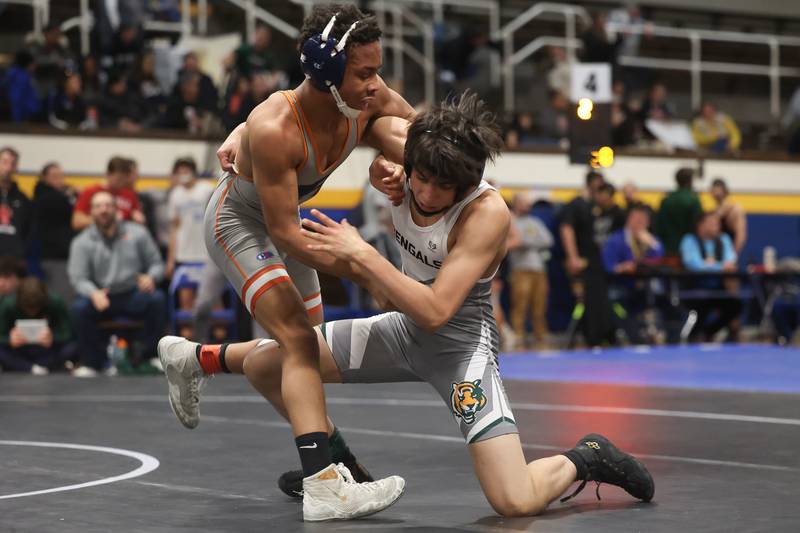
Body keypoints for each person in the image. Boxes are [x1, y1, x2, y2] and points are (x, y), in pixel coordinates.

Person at [160, 92, 655, 517]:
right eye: (423, 178)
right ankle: (339, 468)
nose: (430, 193)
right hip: (402, 329)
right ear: (410, 155)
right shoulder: (408, 150)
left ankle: (589, 455)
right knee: (282, 361)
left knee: (513, 500)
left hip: (459, 347)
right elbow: (321, 105)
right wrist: (243, 129)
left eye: (447, 187)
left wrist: (363, 255)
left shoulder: (486, 213)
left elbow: (437, 311)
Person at [159, 3, 415, 522]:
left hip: (286, 221)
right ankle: (326, 480)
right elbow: (286, 237)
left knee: (303, 353)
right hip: (239, 222)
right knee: (298, 341)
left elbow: (420, 132)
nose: (376, 84)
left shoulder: (367, 96)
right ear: (324, 72)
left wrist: (388, 165)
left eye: (376, 70)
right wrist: (368, 271)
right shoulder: (275, 126)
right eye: (364, 73)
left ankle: (198, 359)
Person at [68, 191, 166, 376]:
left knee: (158, 300)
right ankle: (92, 363)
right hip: (101, 296)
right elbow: (78, 278)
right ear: (91, 212)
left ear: (116, 209)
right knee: (78, 309)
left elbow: (156, 263)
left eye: (108, 205)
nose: (103, 210)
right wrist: (93, 293)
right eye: (98, 206)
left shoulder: (138, 233)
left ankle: (150, 357)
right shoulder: (81, 242)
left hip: (132, 293)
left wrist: (151, 277)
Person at [680, 212, 741, 342]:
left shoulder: (723, 239)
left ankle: (708, 332)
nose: (717, 226)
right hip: (695, 289)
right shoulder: (689, 240)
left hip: (719, 289)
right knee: (699, 309)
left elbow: (730, 261)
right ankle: (692, 335)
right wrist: (719, 266)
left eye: (717, 223)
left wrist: (712, 264)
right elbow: (693, 264)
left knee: (735, 307)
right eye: (712, 223)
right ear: (700, 225)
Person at [166, 157, 215, 313]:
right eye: (179, 172)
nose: (183, 175)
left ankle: (220, 337)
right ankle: (188, 337)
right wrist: (171, 260)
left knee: (213, 302)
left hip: (207, 256)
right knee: (185, 304)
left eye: (185, 171)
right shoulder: (176, 195)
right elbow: (174, 228)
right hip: (185, 257)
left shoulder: (206, 189)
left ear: (193, 172)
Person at [506, 193, 553, 349]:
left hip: (538, 268)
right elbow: (510, 241)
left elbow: (548, 240)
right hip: (520, 269)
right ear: (516, 204)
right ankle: (519, 335)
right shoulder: (510, 221)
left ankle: (540, 335)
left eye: (528, 203)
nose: (526, 206)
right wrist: (521, 241)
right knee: (520, 303)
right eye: (523, 203)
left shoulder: (535, 222)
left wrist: (525, 241)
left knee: (540, 304)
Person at [0, 277, 74, 374]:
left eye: (36, 308)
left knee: (73, 347)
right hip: (19, 350)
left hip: (47, 350)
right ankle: (35, 367)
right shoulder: (8, 304)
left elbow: (67, 333)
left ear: (45, 300)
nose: (32, 313)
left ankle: (25, 367)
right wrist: (10, 339)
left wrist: (53, 337)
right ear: (18, 301)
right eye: (27, 309)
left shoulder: (56, 302)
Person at [32, 162, 78, 302]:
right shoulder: (48, 198)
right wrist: (73, 195)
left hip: (58, 256)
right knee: (61, 300)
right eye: (54, 176)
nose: (59, 180)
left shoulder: (60, 196)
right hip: (55, 257)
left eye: (61, 176)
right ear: (44, 178)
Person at [72, 156, 145, 231]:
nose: (122, 183)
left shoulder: (129, 194)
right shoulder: (91, 192)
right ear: (108, 174)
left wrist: (138, 219)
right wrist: (105, 219)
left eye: (124, 179)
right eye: (119, 179)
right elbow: (77, 222)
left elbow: (139, 220)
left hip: (124, 237)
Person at [655, 167, 702, 257]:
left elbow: (659, 226)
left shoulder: (666, 200)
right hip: (689, 248)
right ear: (690, 181)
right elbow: (697, 226)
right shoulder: (694, 200)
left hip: (668, 247)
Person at [0, 146, 32, 260]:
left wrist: (21, 250)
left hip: (14, 260)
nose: (8, 168)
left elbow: (28, 230)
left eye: (12, 164)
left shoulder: (23, 199)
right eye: (4, 162)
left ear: (16, 167)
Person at [710, 177, 747, 255]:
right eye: (714, 191)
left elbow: (741, 235)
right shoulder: (714, 210)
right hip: (716, 253)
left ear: (725, 191)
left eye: (718, 191)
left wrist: (733, 256)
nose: (716, 193)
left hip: (729, 252)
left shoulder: (735, 209)